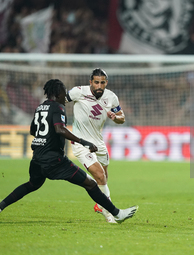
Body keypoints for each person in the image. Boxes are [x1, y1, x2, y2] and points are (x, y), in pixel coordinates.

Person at [0, 79, 138, 224]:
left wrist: (45, 139)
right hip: (54, 160)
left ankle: (1, 206)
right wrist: (83, 142)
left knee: (32, 184)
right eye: (63, 91)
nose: (65, 95)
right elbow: (60, 129)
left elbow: (33, 130)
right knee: (90, 183)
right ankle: (117, 213)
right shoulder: (58, 107)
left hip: (37, 157)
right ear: (58, 93)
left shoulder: (40, 107)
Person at [66, 68, 125, 223]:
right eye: (96, 82)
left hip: (98, 142)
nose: (99, 86)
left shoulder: (111, 97)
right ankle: (110, 212)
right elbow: (60, 100)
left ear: (106, 83)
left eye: (102, 83)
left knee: (104, 176)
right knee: (99, 175)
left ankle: (100, 205)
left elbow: (122, 118)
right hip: (80, 143)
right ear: (90, 82)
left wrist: (115, 117)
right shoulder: (78, 92)